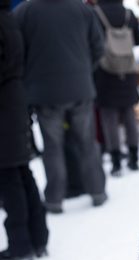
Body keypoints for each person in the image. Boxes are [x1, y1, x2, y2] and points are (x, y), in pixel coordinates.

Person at [13, 0, 107, 213]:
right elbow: (98, 47)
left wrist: (31, 79)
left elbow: (17, 53)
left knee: (52, 147)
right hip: (80, 87)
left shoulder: (24, 12)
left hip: (44, 92)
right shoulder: (81, 9)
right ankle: (97, 191)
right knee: (87, 143)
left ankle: (54, 199)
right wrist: (83, 70)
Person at [0, 0, 49, 260]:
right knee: (20, 172)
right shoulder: (8, 17)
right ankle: (37, 238)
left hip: (6, 107)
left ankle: (21, 245)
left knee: (10, 176)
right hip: (14, 102)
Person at [93, 0, 139, 176]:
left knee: (109, 118)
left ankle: (115, 161)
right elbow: (138, 39)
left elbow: (92, 42)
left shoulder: (95, 12)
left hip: (105, 71)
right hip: (128, 69)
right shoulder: (128, 13)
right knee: (129, 114)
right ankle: (134, 157)